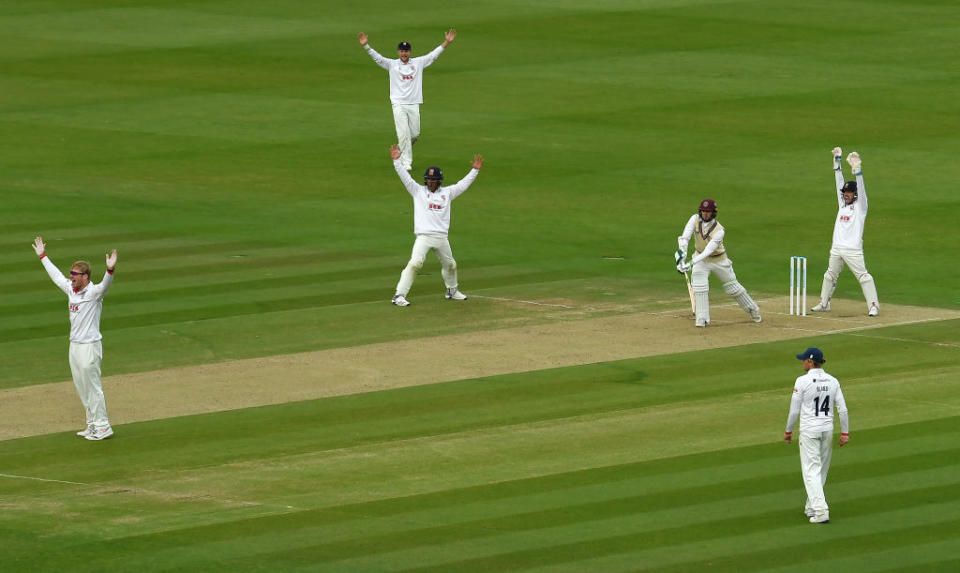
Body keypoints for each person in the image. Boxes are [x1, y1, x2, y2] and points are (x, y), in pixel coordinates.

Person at [32, 236, 117, 441]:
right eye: (71, 273)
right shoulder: (71, 289)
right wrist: (43, 256)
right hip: (75, 346)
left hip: (90, 346)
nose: (71, 277)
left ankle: (103, 427)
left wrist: (110, 270)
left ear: (86, 276)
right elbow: (56, 276)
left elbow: (105, 286)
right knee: (81, 386)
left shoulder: (94, 292)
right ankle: (92, 425)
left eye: (75, 274)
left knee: (93, 387)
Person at [389, 144, 482, 306]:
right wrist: (397, 161)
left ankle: (452, 291)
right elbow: (405, 177)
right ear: (426, 180)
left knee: (451, 265)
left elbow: (462, 185)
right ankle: (399, 295)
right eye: (429, 180)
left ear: (439, 181)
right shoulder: (417, 191)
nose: (431, 182)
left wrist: (475, 170)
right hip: (424, 236)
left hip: (441, 237)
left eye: (434, 180)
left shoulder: (447, 193)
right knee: (416, 263)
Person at [358, 29, 456, 171]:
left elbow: (433, 55)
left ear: (410, 52)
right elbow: (377, 58)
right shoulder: (392, 64)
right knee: (403, 132)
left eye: (407, 51)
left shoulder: (418, 63)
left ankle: (400, 148)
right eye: (402, 51)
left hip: (414, 103)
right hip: (398, 103)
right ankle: (406, 163)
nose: (404, 53)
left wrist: (446, 42)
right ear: (398, 52)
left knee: (415, 134)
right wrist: (366, 46)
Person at [784, 347, 850, 524]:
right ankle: (811, 507)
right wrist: (845, 432)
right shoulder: (833, 381)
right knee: (821, 470)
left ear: (811, 362)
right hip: (827, 430)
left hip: (809, 431)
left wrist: (788, 431)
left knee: (811, 470)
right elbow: (842, 409)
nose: (802, 362)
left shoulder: (802, 381)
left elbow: (794, 410)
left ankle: (821, 511)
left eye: (804, 360)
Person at [811, 147, 879, 316]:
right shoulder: (842, 204)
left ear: (855, 194)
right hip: (837, 247)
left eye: (849, 193)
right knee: (829, 275)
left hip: (853, 249)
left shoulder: (861, 207)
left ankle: (873, 306)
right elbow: (838, 183)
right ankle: (824, 303)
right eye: (845, 192)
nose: (845, 195)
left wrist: (857, 171)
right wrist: (837, 163)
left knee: (864, 277)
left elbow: (862, 191)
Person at [675, 199, 762, 327]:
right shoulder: (694, 219)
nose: (704, 214)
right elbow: (685, 238)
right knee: (699, 287)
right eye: (703, 211)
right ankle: (702, 319)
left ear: (713, 213)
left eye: (708, 212)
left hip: (719, 260)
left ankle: (753, 310)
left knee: (733, 288)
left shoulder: (719, 230)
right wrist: (681, 256)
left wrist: (690, 263)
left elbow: (708, 251)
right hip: (700, 259)